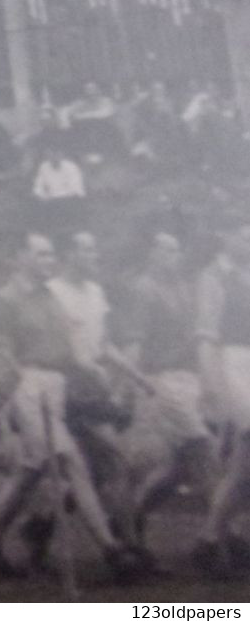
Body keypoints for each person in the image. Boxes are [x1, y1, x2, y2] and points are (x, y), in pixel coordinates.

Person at [0, 232, 146, 580]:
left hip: (57, 386)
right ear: (19, 257)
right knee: (70, 461)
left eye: (50, 255)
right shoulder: (5, 299)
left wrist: (96, 371)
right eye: (40, 254)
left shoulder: (50, 298)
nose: (48, 261)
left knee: (31, 468)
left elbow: (68, 351)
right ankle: (112, 549)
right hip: (25, 385)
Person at [118, 232, 219, 551]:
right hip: (161, 378)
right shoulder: (143, 289)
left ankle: (131, 516)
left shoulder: (184, 287)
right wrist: (126, 389)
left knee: (178, 468)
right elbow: (134, 340)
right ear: (152, 253)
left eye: (177, 249)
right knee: (202, 446)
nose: (174, 255)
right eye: (167, 249)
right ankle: (220, 535)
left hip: (189, 378)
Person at [192, 222, 250, 578]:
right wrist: (212, 385)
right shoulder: (213, 276)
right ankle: (212, 538)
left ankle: (215, 539)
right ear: (225, 236)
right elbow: (205, 335)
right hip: (233, 365)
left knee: (243, 467)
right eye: (242, 236)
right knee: (244, 457)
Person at [31, 146, 86, 232]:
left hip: (70, 200)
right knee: (36, 203)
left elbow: (74, 190)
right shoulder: (43, 167)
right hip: (50, 201)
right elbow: (38, 186)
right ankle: (45, 230)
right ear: (47, 155)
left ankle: (68, 227)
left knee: (64, 205)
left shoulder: (71, 167)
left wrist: (52, 197)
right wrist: (41, 196)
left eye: (57, 153)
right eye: (51, 154)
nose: (54, 156)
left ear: (62, 154)